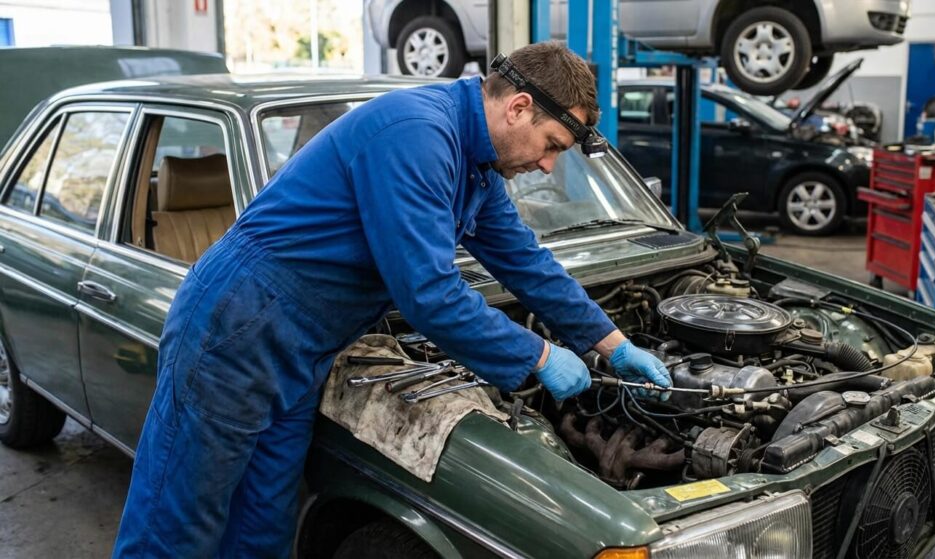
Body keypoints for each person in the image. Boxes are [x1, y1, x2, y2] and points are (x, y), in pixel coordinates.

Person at [112, 41, 671, 557]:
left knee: (262, 523)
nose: (548, 165)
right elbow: (429, 294)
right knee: (179, 523)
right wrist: (538, 356)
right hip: (238, 326)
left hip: (306, 344)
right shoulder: (417, 135)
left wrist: (611, 342)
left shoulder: (476, 166)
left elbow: (525, 261)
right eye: (552, 147)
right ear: (518, 107)